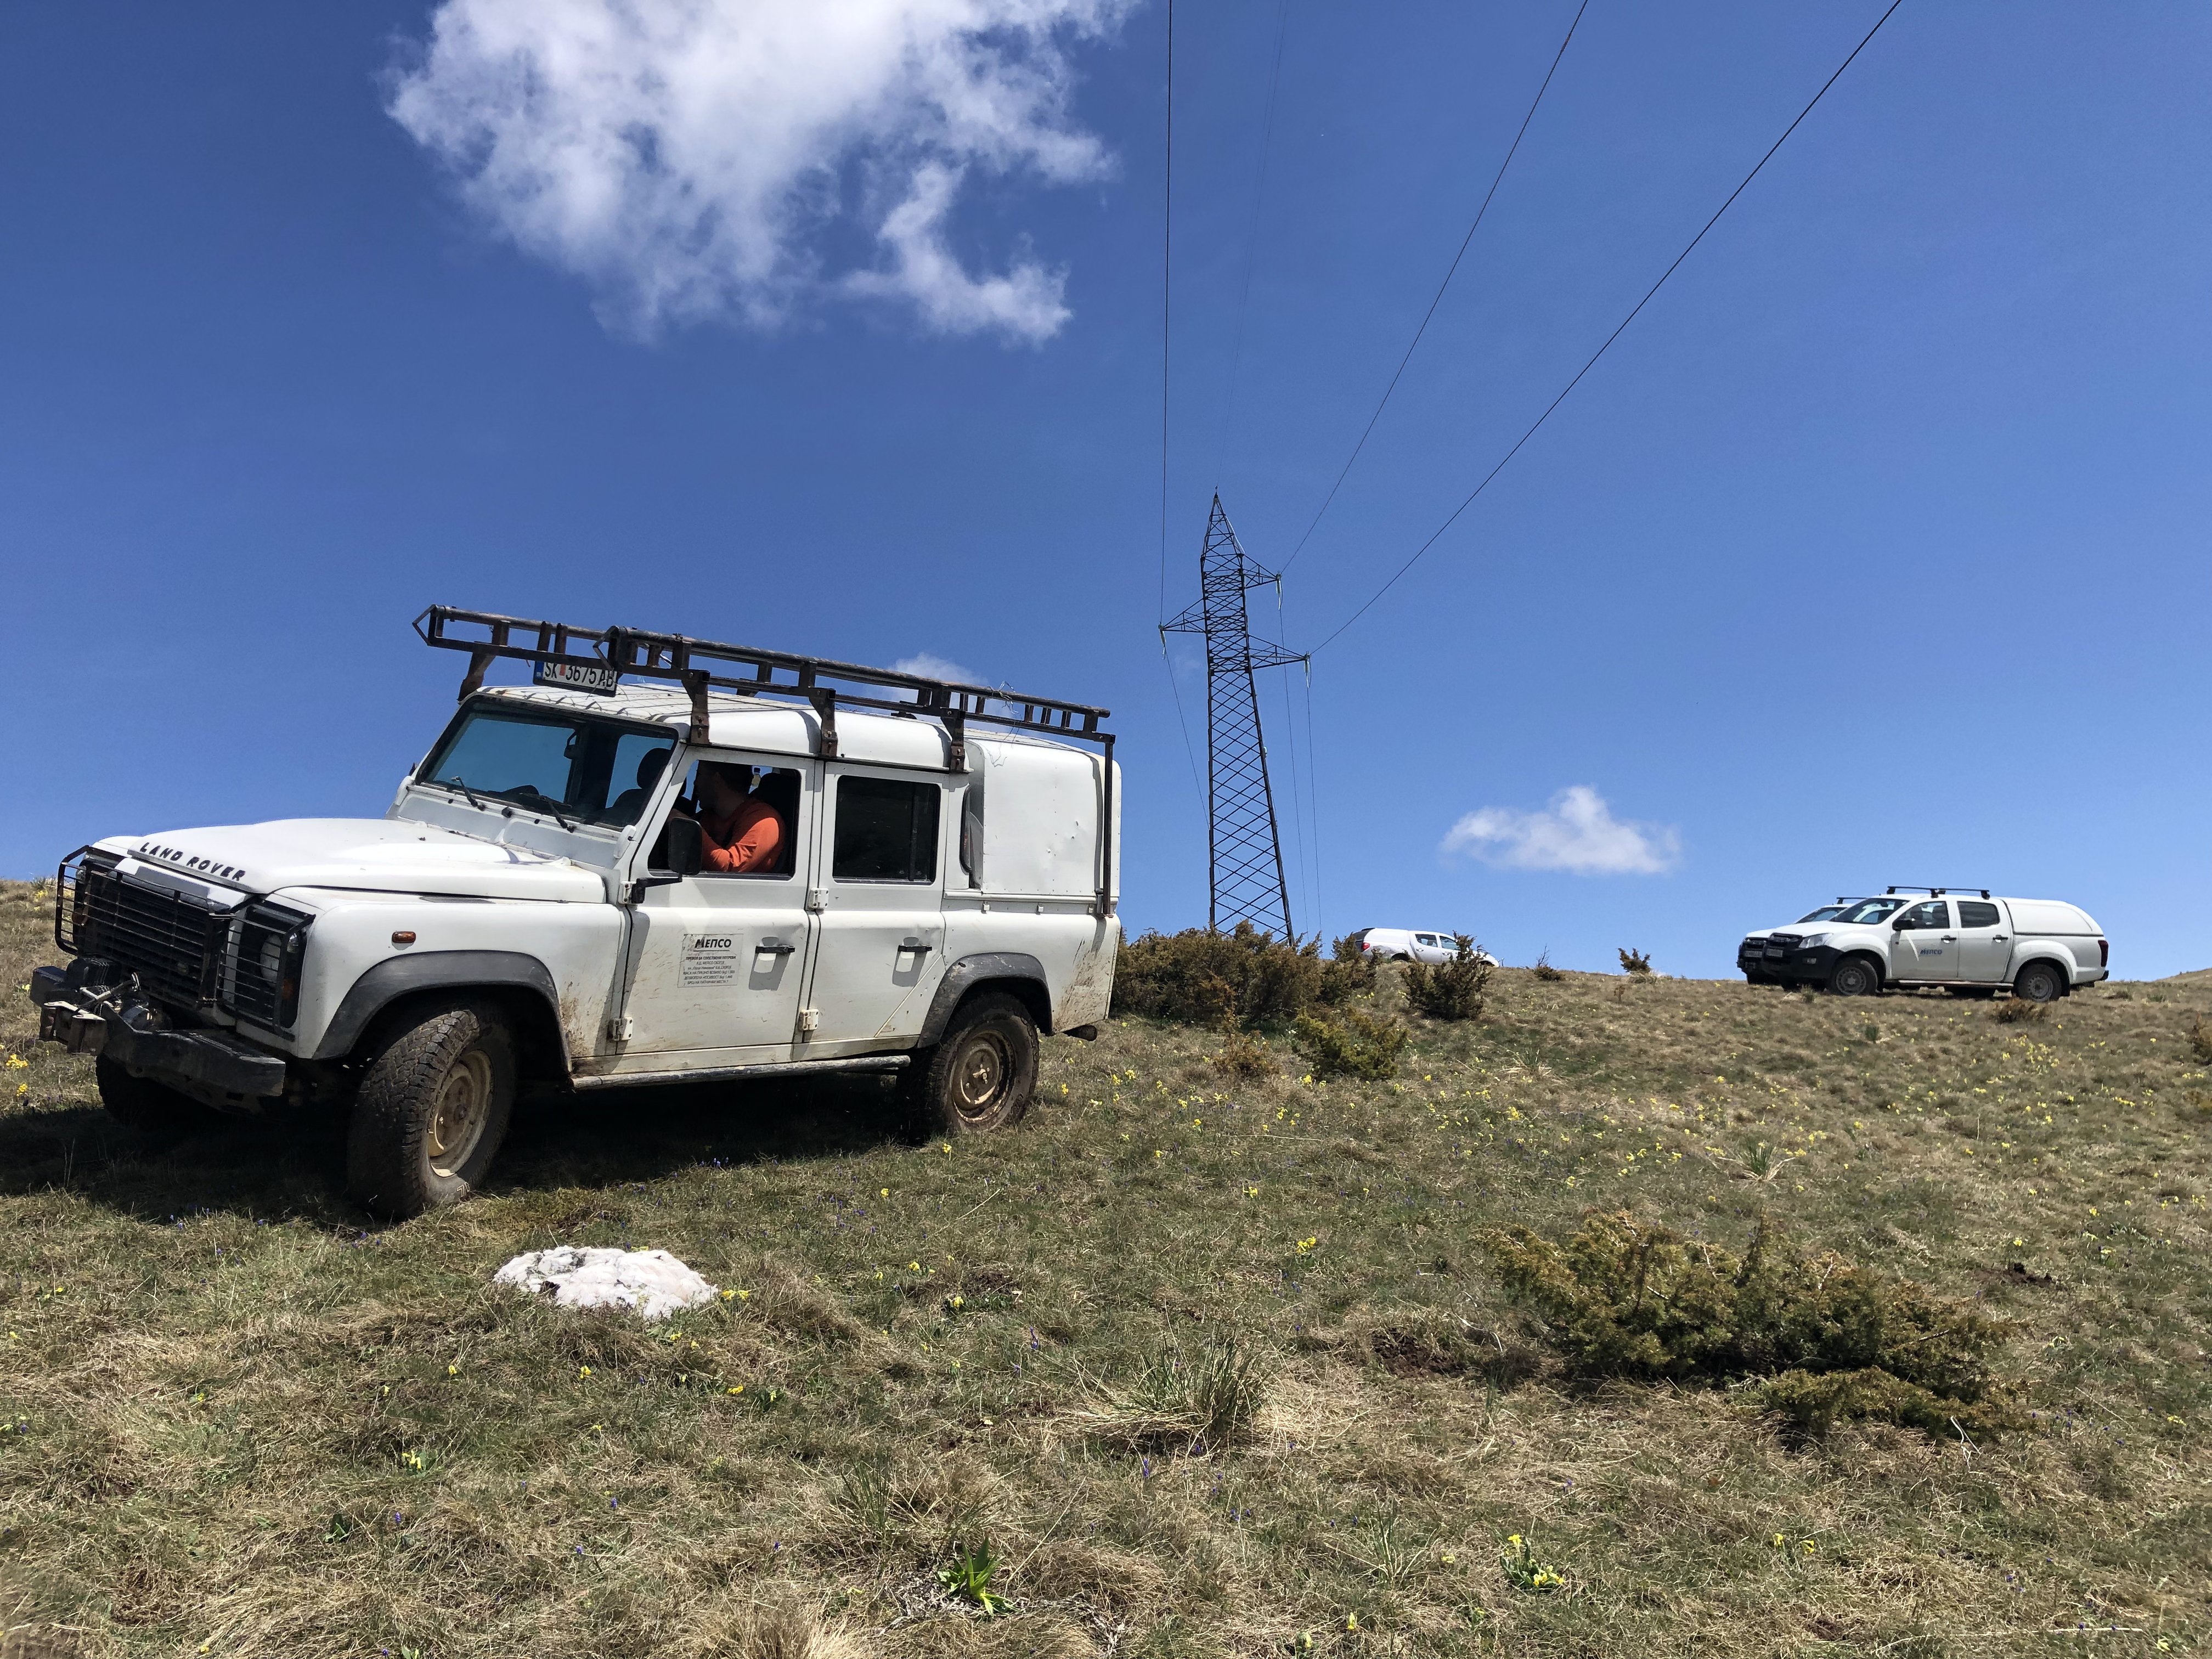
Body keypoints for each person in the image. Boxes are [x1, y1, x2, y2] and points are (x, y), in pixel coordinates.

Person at [684, 762, 784, 873]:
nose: (695, 782)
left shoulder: (764, 820)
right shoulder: (709, 816)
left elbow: (730, 870)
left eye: (699, 775)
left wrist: (689, 829)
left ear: (717, 780)